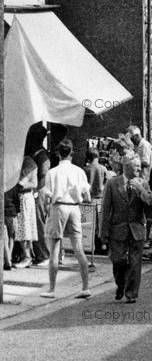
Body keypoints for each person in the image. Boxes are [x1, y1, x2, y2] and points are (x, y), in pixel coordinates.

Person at [100, 154, 152, 303]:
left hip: (137, 230)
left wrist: (141, 190)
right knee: (118, 261)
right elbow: (105, 209)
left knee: (134, 262)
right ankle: (121, 284)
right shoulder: (112, 183)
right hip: (117, 229)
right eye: (136, 165)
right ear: (126, 167)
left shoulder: (143, 183)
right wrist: (103, 232)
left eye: (139, 166)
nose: (139, 168)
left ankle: (131, 293)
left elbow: (151, 205)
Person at [40, 139, 92, 299]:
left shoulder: (52, 172)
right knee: (78, 248)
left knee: (54, 249)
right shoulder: (79, 171)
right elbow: (87, 196)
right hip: (74, 208)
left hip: (59, 207)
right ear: (71, 153)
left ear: (57, 154)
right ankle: (85, 287)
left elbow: (46, 193)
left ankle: (52, 289)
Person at [25, 123, 50, 267]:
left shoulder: (41, 155)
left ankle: (43, 254)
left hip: (39, 192)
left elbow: (43, 173)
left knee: (38, 223)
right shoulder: (39, 154)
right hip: (38, 191)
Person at [14, 157, 39, 269]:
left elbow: (33, 183)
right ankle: (27, 255)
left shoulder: (28, 162)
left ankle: (27, 257)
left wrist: (18, 185)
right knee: (25, 228)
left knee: (23, 228)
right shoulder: (29, 161)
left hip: (23, 197)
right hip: (26, 197)